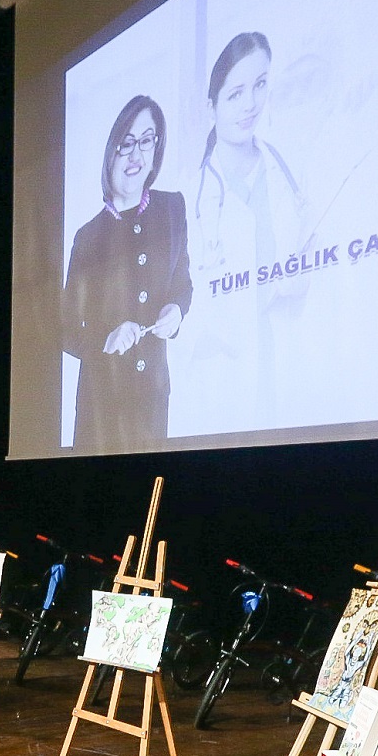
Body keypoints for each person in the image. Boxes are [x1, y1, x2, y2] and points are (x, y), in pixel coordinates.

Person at [187, 32, 311, 429]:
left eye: (259, 85)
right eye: (235, 94)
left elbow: (312, 264)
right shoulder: (191, 199)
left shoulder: (288, 175)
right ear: (212, 107)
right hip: (225, 390)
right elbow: (185, 308)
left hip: (286, 370)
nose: (250, 104)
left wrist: (302, 278)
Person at [62, 93, 191, 451]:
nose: (136, 155)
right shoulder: (87, 236)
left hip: (152, 401)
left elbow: (183, 285)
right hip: (101, 407)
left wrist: (177, 311)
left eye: (146, 140)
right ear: (111, 152)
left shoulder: (172, 209)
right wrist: (106, 340)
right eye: (127, 143)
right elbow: (65, 329)